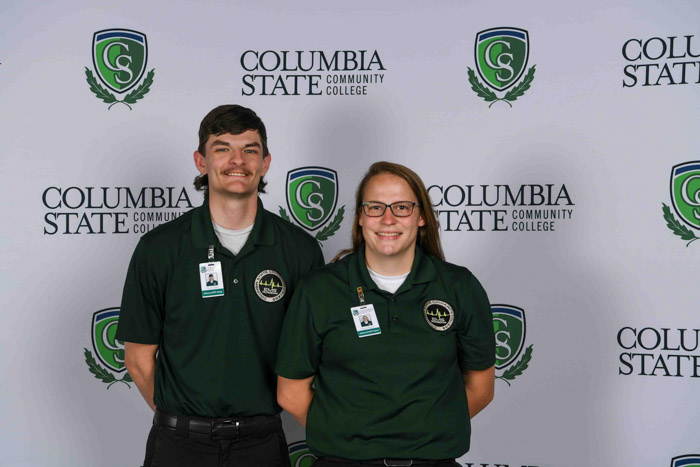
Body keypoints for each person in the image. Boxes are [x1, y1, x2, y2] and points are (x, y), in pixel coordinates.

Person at [116, 104, 324, 467]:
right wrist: (187, 423)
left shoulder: (299, 249)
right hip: (178, 445)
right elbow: (138, 359)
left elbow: (313, 357)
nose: (237, 160)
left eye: (250, 150)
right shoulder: (160, 248)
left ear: (266, 163)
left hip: (261, 444)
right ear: (201, 161)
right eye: (223, 148)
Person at [275, 161, 495, 467]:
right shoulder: (319, 290)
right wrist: (346, 435)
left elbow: (481, 388)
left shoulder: (459, 287)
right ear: (361, 218)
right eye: (375, 207)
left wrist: (424, 430)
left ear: (421, 218)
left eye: (402, 207)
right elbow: (291, 392)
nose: (388, 219)